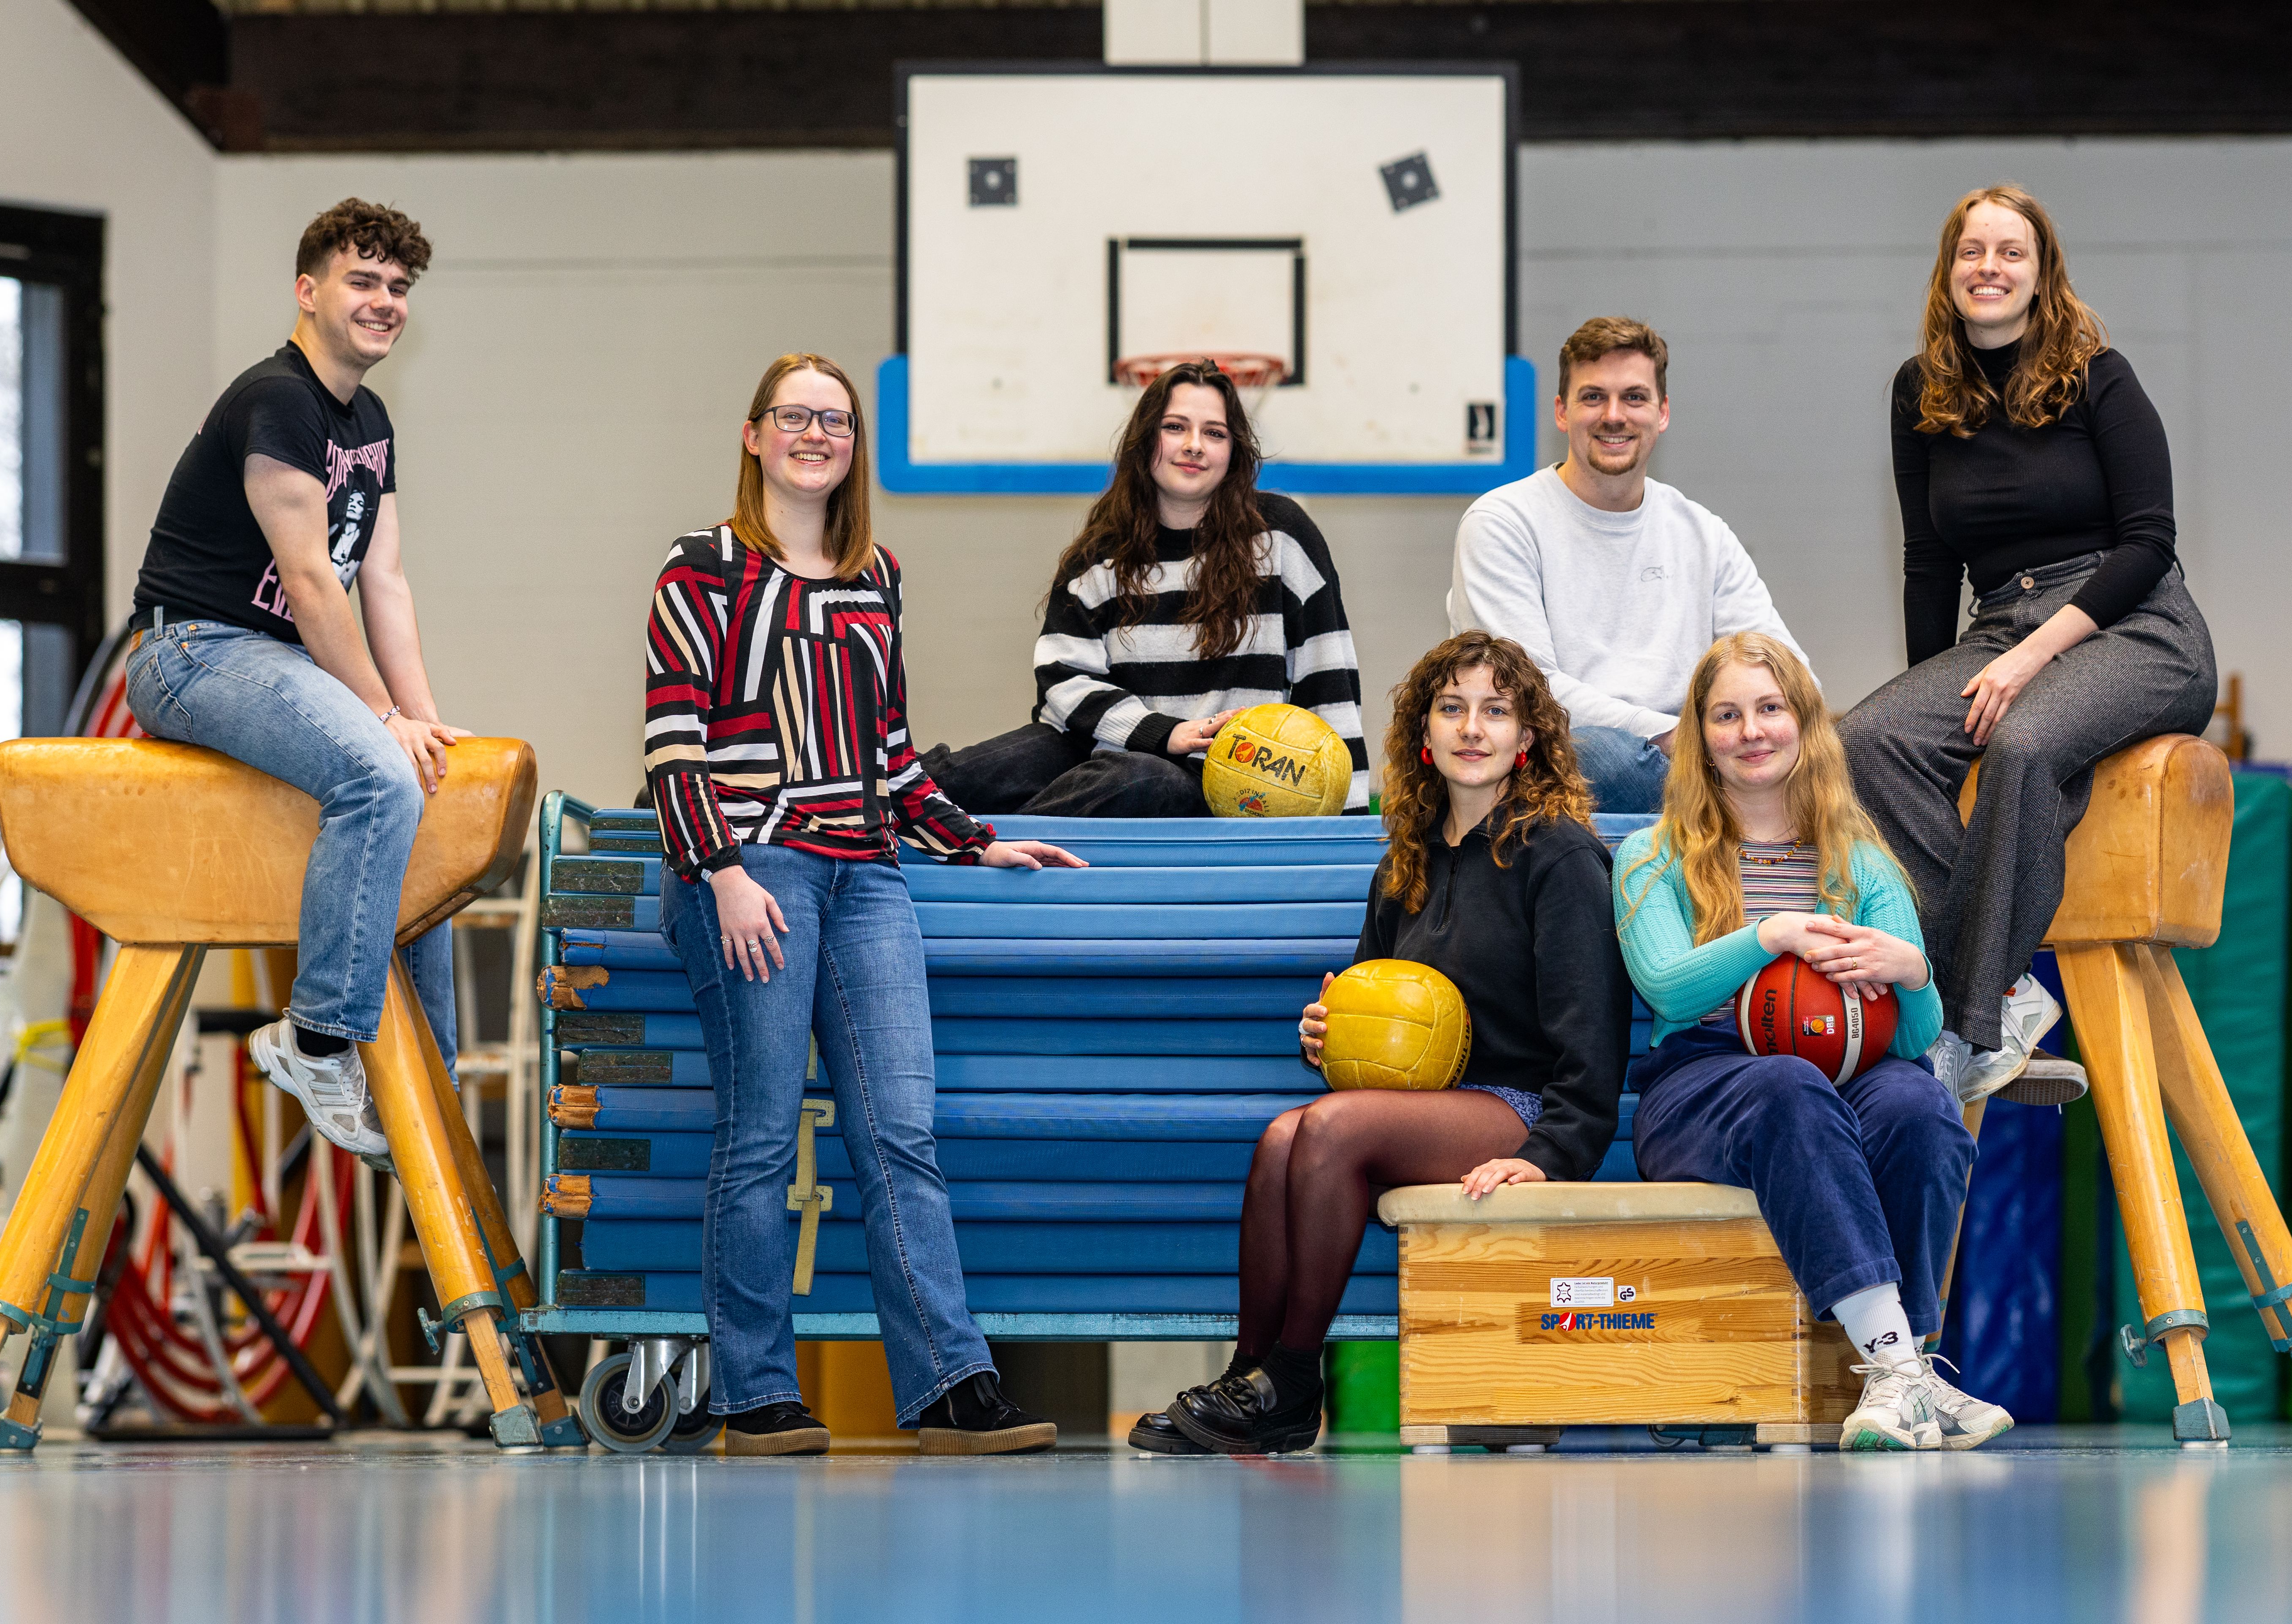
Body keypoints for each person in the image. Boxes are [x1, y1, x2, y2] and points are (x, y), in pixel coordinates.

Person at [642, 352, 1084, 1456]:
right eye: (793, 415)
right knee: (755, 1139)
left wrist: (976, 841)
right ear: (754, 436)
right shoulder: (702, 570)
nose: (814, 434)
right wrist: (724, 872)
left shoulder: (874, 573)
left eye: (834, 420)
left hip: (866, 875)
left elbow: (885, 749)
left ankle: (946, 1383)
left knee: (900, 1134)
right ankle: (753, 1390)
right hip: (750, 873)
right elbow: (672, 742)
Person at [1132, 630, 1633, 1454]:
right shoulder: (1403, 858)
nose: (1472, 727)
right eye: (1452, 708)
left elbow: (1592, 1039)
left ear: (1527, 736)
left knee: (1326, 1127)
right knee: (1281, 1136)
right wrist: (1326, 1033)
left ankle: (1290, 1378)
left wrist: (1549, 1153)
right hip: (1424, 1105)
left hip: (1520, 1106)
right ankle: (1251, 1377)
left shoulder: (1560, 853)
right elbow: (1372, 1009)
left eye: (1495, 711)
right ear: (1424, 735)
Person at [1840, 185, 2217, 1104]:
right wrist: (1924, 696)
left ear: (2040, 273)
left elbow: (2148, 542)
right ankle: (1998, 985)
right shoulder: (1917, 391)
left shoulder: (2098, 374)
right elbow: (1927, 562)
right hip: (1995, 619)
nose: (1989, 269)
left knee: (2019, 745)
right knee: (1862, 741)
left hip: (2130, 621)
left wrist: (2029, 655)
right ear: (1947, 270)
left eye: (2010, 253)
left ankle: (1963, 1025)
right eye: (1972, 252)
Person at [123, 198, 462, 1167]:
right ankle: (316, 1039)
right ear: (307, 292)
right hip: (193, 652)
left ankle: (419, 1085)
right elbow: (315, 586)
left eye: (398, 288)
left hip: (277, 662)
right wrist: (382, 717)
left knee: (425, 786)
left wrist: (426, 723)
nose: (385, 301)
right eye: (363, 281)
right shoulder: (275, 400)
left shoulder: (372, 421)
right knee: (377, 772)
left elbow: (382, 580)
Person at [1617, 632, 2009, 1452]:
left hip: (1846, 1073)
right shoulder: (1649, 856)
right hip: (1700, 1083)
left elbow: (1913, 1035)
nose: (1749, 729)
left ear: (1803, 724)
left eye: (1769, 708)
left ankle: (1905, 1368)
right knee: (1788, 1084)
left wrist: (1910, 970)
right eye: (1725, 714)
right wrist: (1770, 934)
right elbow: (1664, 983)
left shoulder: (1860, 862)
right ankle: (1903, 1370)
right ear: (1699, 735)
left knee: (1919, 1102)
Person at [919, 360, 1369, 817]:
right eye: (1175, 427)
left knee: (1136, 778)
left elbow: (1328, 679)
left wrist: (1348, 828)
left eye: (1214, 433)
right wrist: (1162, 732)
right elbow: (1064, 681)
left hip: (1213, 777)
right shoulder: (1100, 552)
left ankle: (992, 849)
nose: (1194, 446)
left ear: (1233, 451)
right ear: (1146, 438)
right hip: (1095, 748)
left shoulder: (1281, 536)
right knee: (945, 780)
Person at [1447, 317, 1801, 815]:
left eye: (1634, 397)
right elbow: (1526, 690)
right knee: (1603, 755)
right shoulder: (1502, 522)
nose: (1614, 415)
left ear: (1662, 413)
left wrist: (1733, 736)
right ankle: (1726, 808)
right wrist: (1675, 738)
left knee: (1839, 742)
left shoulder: (1702, 532)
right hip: (1560, 763)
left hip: (1700, 756)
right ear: (1561, 412)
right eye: (1592, 397)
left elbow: (1787, 669)